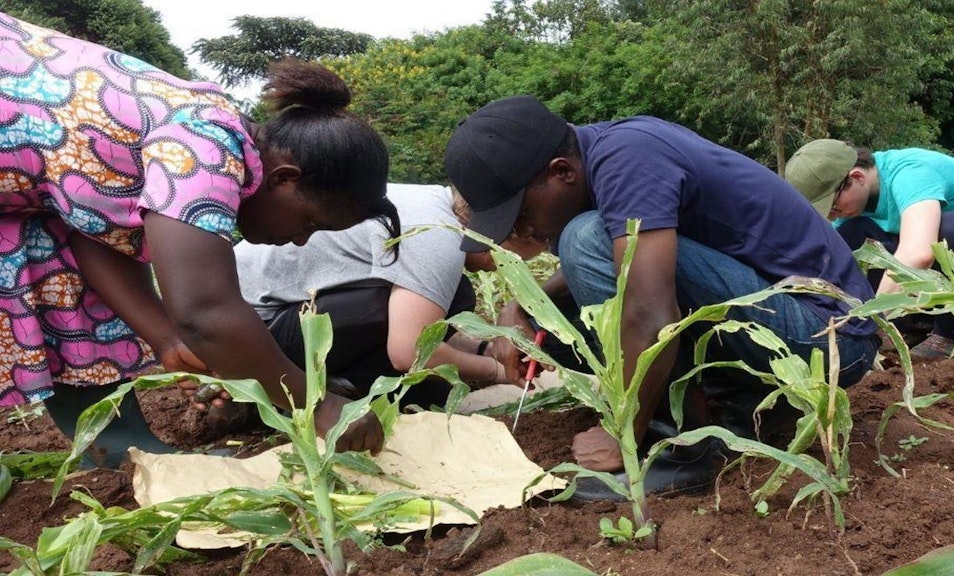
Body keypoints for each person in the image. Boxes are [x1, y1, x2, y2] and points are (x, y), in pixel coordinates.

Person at [0, 12, 395, 467]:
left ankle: (115, 447)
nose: (300, 241)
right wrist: (320, 405)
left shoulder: (201, 133)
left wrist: (167, 342)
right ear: (285, 179)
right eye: (309, 224)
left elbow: (91, 234)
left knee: (51, 256)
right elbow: (206, 312)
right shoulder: (205, 149)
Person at [444, 96, 880, 501]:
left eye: (520, 214)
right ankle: (740, 402)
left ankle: (680, 446)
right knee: (559, 329)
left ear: (562, 172)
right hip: (786, 319)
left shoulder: (629, 159)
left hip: (831, 336)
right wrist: (522, 305)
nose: (524, 230)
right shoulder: (603, 156)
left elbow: (649, 314)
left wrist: (623, 434)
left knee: (584, 239)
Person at [234, 183, 513, 410]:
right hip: (252, 333)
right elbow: (410, 350)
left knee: (430, 390)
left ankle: (341, 379)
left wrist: (482, 350)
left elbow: (422, 320)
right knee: (399, 307)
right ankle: (300, 388)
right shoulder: (438, 235)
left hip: (290, 312)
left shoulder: (432, 202)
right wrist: (496, 372)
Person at [785, 139, 954, 358]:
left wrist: (871, 323)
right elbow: (826, 262)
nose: (830, 215)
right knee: (854, 236)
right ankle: (912, 329)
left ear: (856, 177)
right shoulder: (857, 207)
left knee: (951, 230)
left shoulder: (910, 172)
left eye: (833, 207)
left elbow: (918, 254)